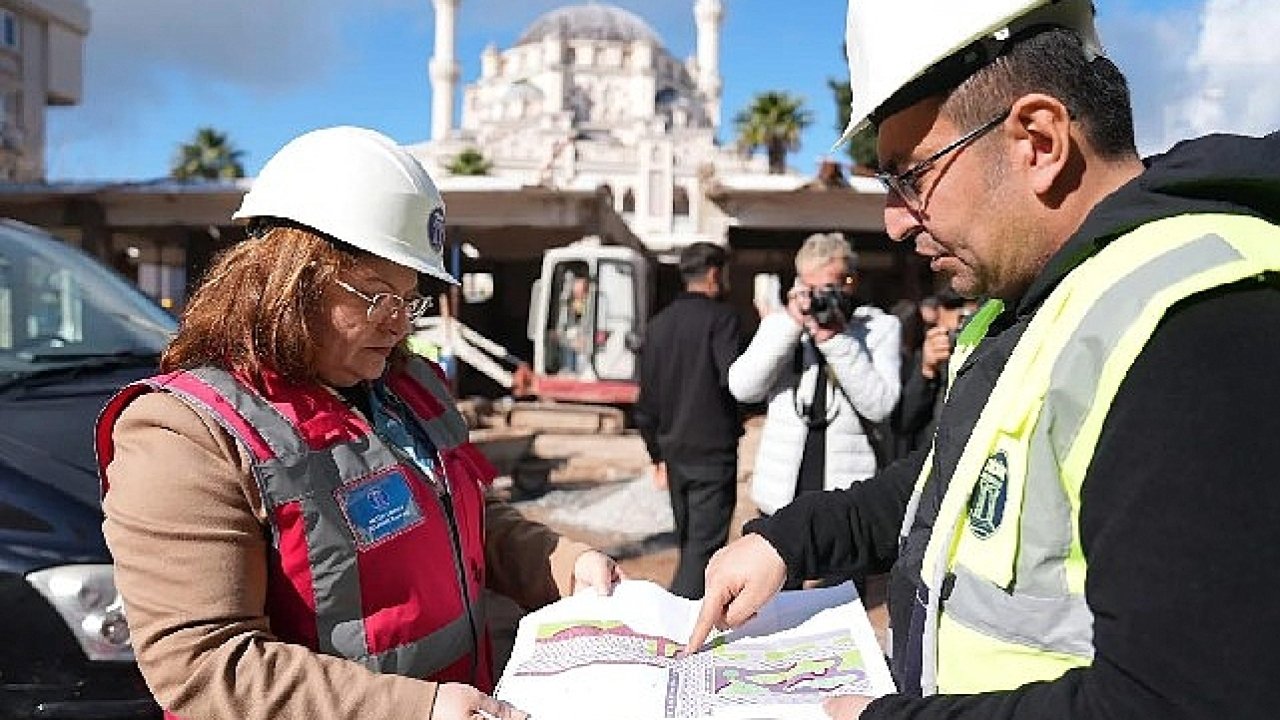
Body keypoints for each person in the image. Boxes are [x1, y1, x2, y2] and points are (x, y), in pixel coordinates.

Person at [685, 1, 1280, 718]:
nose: (895, 223)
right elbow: (960, 482)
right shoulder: (1033, 299)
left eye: (910, 176)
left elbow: (1179, 701)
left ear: (1037, 140)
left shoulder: (1197, 325)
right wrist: (790, 539)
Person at [96, 126, 622, 720]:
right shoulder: (186, 435)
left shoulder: (410, 389)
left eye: (409, 298)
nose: (398, 323)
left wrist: (559, 562)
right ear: (285, 280)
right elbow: (208, 666)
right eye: (375, 295)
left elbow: (467, 513)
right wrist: (413, 710)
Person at [728, 232, 900, 519]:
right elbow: (743, 389)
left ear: (850, 282)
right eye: (810, 288)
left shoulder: (879, 328)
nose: (819, 299)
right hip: (781, 495)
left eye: (829, 288)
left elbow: (880, 407)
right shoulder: (783, 325)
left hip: (845, 499)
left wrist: (835, 340)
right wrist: (789, 325)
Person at [633, 242, 743, 599]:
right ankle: (678, 624)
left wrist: (656, 453)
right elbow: (735, 381)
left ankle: (687, 616)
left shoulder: (658, 325)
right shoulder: (723, 319)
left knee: (689, 542)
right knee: (703, 552)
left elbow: (645, 400)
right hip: (713, 453)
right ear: (714, 274)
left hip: (674, 451)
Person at [890, 289, 978, 458]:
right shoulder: (925, 355)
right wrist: (927, 370)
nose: (958, 334)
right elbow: (904, 421)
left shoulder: (994, 350)